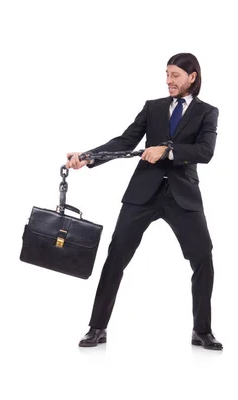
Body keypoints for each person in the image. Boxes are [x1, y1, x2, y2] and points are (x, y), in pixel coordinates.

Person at [66, 53, 223, 350]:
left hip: (182, 195)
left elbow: (205, 151)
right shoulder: (153, 107)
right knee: (116, 258)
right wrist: (87, 157)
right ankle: (97, 328)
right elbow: (126, 141)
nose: (168, 81)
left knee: (203, 257)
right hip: (143, 193)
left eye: (175, 75)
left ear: (192, 77)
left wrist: (167, 151)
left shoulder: (208, 112)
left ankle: (202, 330)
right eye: (166, 74)